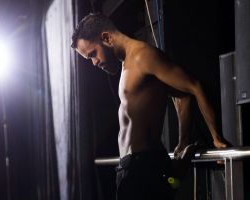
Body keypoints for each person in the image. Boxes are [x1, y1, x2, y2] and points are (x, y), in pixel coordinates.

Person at [71, 13, 227, 200]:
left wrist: (216, 137)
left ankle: (175, 174)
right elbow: (182, 96)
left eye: (92, 54)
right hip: (139, 169)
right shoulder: (127, 63)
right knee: (171, 183)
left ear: (106, 38)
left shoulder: (142, 56)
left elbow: (193, 86)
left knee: (170, 183)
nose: (94, 62)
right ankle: (175, 174)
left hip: (142, 169)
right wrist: (183, 141)